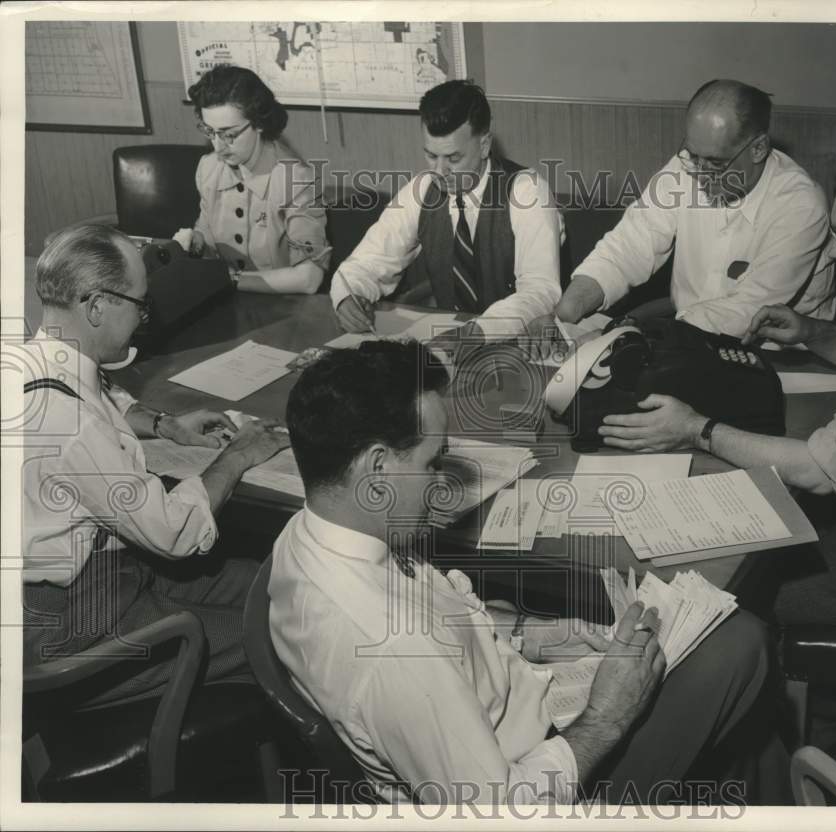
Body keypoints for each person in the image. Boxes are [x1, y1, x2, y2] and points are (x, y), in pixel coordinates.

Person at [269, 340, 784, 805]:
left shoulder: (317, 530)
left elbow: (436, 618)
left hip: (513, 704)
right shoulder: (393, 653)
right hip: (535, 781)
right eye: (432, 462)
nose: (444, 483)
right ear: (377, 467)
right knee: (741, 645)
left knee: (723, 651)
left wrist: (529, 634)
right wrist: (608, 715)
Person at [596, 152, 836, 627]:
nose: (835, 253)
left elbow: (820, 469)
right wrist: (811, 331)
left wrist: (695, 429)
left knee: (719, 593)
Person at [19, 224, 290, 703]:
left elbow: (102, 395)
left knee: (274, 583)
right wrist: (240, 454)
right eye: (139, 305)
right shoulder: (73, 423)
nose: (144, 320)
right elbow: (175, 533)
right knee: (282, 632)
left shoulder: (30, 362)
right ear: (97, 304)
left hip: (100, 575)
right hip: (70, 623)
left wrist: (165, 425)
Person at [532, 79, 834, 357]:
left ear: (758, 148)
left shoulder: (800, 203)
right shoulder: (685, 168)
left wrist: (626, 335)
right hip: (680, 336)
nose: (698, 173)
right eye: (693, 155)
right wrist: (564, 314)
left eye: (715, 163)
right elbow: (628, 246)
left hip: (783, 359)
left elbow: (748, 308)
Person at [331, 80, 563, 342]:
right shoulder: (422, 190)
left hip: (516, 346)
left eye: (454, 159)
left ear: (484, 145)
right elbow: (366, 262)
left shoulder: (527, 191)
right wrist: (347, 297)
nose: (440, 172)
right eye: (431, 156)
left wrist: (478, 332)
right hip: (446, 343)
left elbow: (541, 290)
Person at [176, 64, 329, 294]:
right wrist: (195, 242)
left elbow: (309, 277)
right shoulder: (208, 168)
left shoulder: (295, 179)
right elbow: (209, 244)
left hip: (285, 309)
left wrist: (230, 279)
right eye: (210, 132)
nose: (218, 146)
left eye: (229, 134)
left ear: (258, 123)